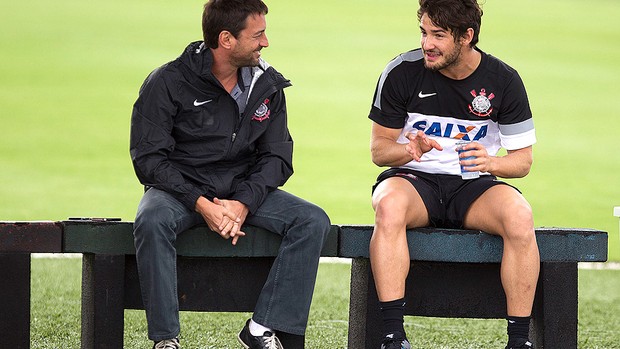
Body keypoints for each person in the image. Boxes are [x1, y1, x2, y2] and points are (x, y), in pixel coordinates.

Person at [129, 1, 331, 348]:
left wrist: (242, 204)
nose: (265, 42)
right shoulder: (166, 82)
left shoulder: (266, 84)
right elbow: (148, 160)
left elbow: (277, 157)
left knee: (312, 220)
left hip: (241, 189)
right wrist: (200, 203)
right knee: (151, 219)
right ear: (226, 39)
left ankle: (261, 329)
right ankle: (165, 340)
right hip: (179, 190)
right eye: (258, 34)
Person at [367, 0, 539, 348]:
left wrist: (491, 163)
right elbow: (378, 151)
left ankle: (519, 341)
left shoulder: (503, 80)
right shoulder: (401, 71)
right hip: (415, 182)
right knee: (387, 206)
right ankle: (392, 337)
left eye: (438, 35)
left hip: (473, 186)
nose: (427, 44)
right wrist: (409, 150)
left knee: (520, 217)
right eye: (424, 32)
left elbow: (522, 161)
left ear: (466, 37)